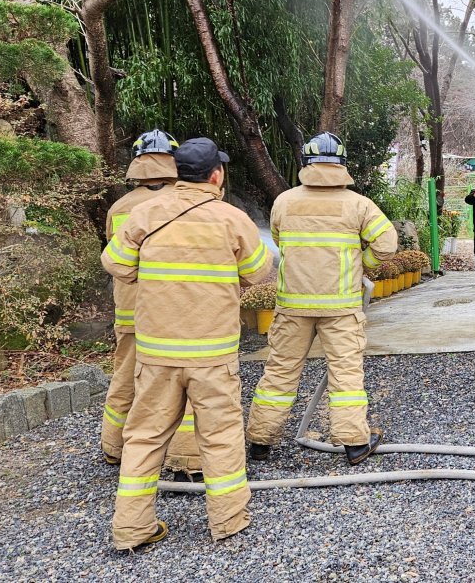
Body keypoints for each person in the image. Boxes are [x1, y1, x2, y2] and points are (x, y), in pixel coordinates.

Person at [102, 137, 273, 551]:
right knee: (221, 435)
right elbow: (258, 272)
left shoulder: (143, 214)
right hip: (212, 353)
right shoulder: (232, 219)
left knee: (144, 436)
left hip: (157, 353)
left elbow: (115, 265)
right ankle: (229, 520)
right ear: (217, 174)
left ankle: (131, 528)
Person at [246, 132, 398, 465]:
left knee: (280, 373)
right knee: (345, 375)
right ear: (342, 165)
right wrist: (363, 264)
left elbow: (280, 240)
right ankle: (355, 444)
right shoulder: (358, 204)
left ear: (307, 163)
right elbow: (387, 244)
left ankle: (260, 442)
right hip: (341, 308)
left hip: (292, 307)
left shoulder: (285, 201)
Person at [100, 130, 201, 477]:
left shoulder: (119, 208)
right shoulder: (190, 201)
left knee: (126, 377)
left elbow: (118, 258)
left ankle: (114, 446)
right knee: (182, 384)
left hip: (130, 312)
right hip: (173, 312)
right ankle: (185, 458)